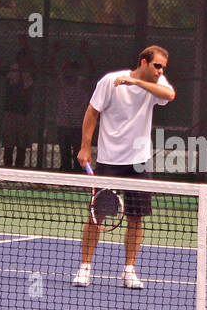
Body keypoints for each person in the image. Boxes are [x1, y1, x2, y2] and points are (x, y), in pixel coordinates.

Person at [73, 46, 175, 290]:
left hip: (139, 162)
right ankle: (85, 268)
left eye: (163, 68)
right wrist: (85, 147)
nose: (160, 71)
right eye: (157, 66)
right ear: (143, 62)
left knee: (136, 218)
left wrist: (135, 82)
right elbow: (92, 113)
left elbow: (169, 95)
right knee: (96, 217)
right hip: (110, 160)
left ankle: (129, 270)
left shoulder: (155, 83)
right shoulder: (110, 82)